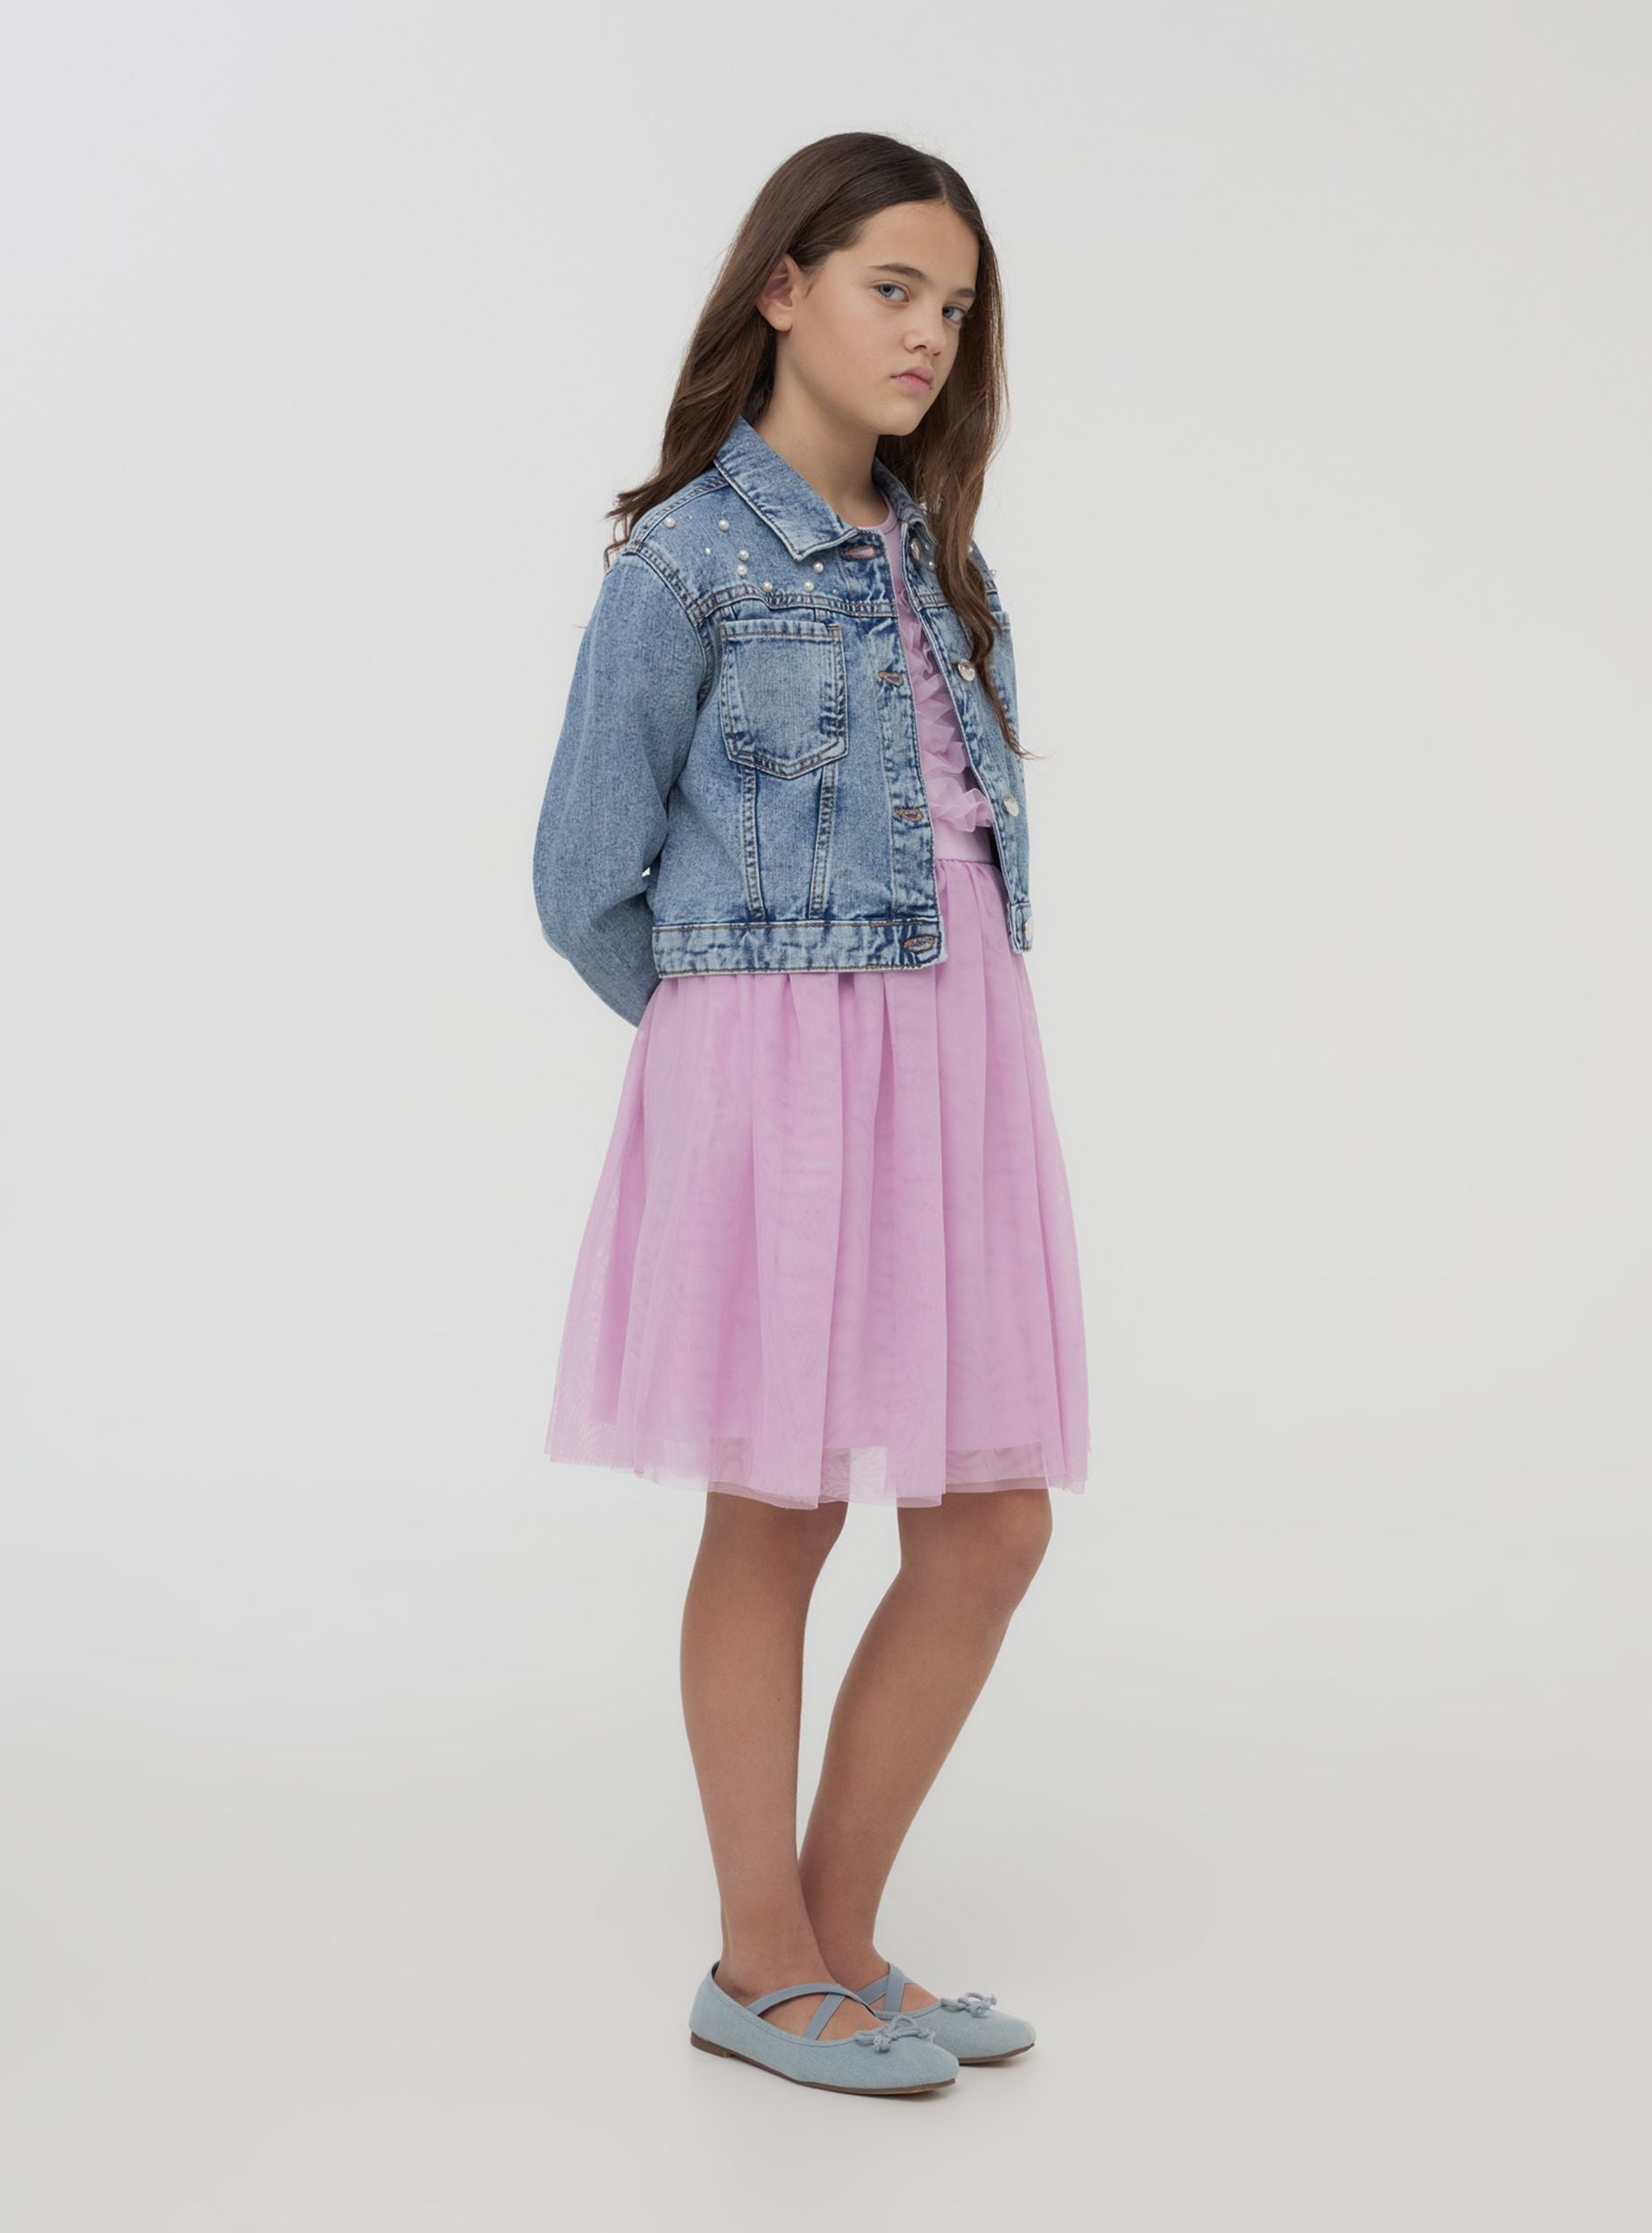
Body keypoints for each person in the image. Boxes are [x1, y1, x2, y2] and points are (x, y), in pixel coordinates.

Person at [530, 131, 1090, 2095]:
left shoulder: (946, 564)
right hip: (778, 1075)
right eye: (889, 288)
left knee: (988, 1521)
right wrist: (738, 1042)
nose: (928, 333)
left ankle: (842, 1938)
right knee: (779, 1507)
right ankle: (759, 1962)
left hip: (956, 1072)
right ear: (781, 289)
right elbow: (580, 878)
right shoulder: (686, 561)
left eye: (955, 306)